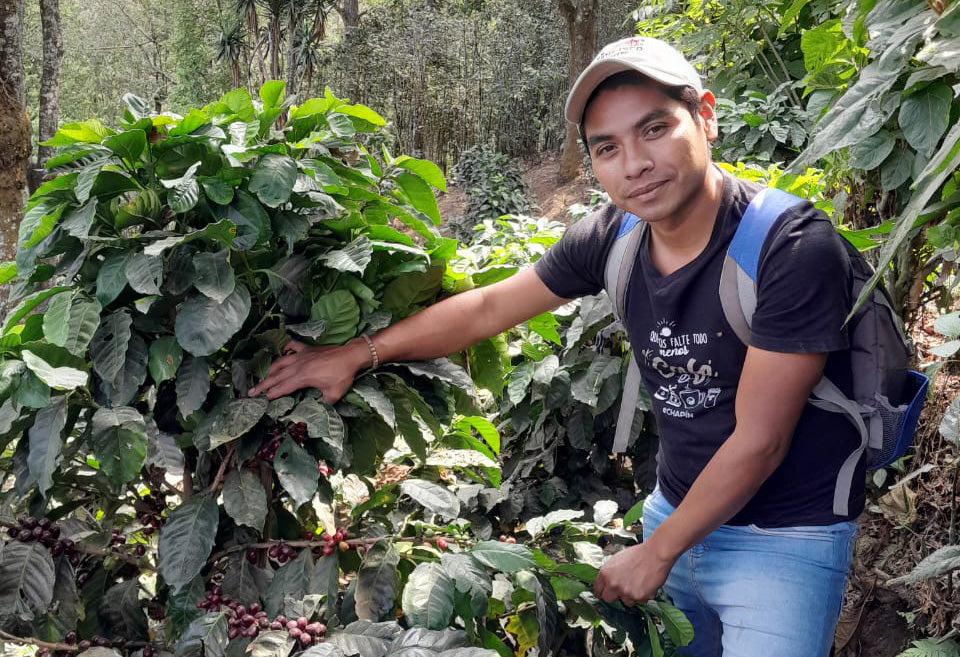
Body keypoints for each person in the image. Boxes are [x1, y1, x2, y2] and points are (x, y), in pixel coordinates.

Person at [249, 36, 861, 657]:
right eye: (607, 148)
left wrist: (658, 550)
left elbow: (762, 440)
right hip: (674, 512)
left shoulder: (791, 249)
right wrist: (357, 352)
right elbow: (490, 306)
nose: (635, 163)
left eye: (654, 130)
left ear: (705, 116)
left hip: (783, 537)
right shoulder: (613, 236)